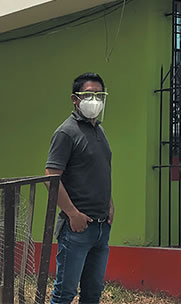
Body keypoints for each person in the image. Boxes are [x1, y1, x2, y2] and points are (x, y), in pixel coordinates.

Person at [46, 73, 113, 304]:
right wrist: (73, 213)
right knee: (65, 293)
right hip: (76, 228)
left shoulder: (99, 131)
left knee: (93, 292)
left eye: (99, 94)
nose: (94, 100)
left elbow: (100, 171)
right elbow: (51, 177)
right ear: (75, 99)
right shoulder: (66, 132)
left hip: (101, 227)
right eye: (88, 95)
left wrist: (110, 206)